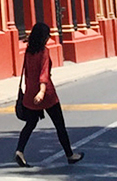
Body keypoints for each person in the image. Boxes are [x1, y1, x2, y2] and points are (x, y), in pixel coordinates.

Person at [14, 22, 83, 167]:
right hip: (46, 94)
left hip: (30, 93)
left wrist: (32, 91)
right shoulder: (44, 51)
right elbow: (44, 72)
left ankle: (19, 151)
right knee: (59, 125)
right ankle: (70, 155)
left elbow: (27, 73)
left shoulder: (28, 51)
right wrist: (42, 91)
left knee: (30, 124)